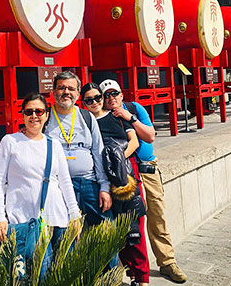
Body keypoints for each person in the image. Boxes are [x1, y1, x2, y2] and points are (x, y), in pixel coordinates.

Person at [100, 79, 188, 283]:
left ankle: (167, 262)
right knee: (128, 223)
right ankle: (129, 270)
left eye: (115, 94)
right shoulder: (103, 118)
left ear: (122, 95)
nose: (111, 98)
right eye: (106, 95)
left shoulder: (134, 109)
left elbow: (150, 136)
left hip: (147, 170)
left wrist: (129, 117)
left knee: (157, 215)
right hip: (126, 176)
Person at [0, 93, 80, 262]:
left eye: (39, 111)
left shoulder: (53, 144)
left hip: (58, 218)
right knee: (37, 275)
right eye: (29, 112)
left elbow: (65, 182)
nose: (34, 116)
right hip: (25, 219)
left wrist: (74, 214)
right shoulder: (10, 141)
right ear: (22, 115)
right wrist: (0, 217)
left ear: (46, 115)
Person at [81, 82, 149, 286]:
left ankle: (142, 277)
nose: (94, 102)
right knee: (111, 231)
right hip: (100, 182)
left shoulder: (117, 117)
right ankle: (119, 276)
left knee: (133, 227)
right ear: (83, 103)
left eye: (97, 98)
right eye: (89, 100)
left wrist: (116, 161)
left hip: (123, 178)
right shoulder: (84, 122)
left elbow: (134, 142)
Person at [45, 71, 113, 226]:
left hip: (88, 182)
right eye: (61, 88)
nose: (66, 92)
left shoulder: (87, 117)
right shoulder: (45, 118)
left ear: (77, 93)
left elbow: (98, 152)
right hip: (57, 186)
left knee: (107, 231)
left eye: (71, 88)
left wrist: (104, 187)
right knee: (66, 237)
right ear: (54, 92)